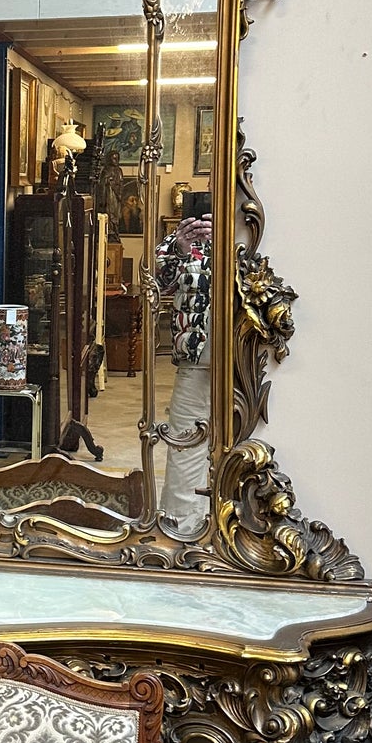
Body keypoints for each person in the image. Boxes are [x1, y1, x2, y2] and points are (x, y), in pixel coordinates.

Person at [156, 212, 212, 535]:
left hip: (243, 363)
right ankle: (180, 532)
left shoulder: (252, 233)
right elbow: (158, 280)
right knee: (184, 445)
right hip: (195, 357)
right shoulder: (188, 238)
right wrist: (179, 246)